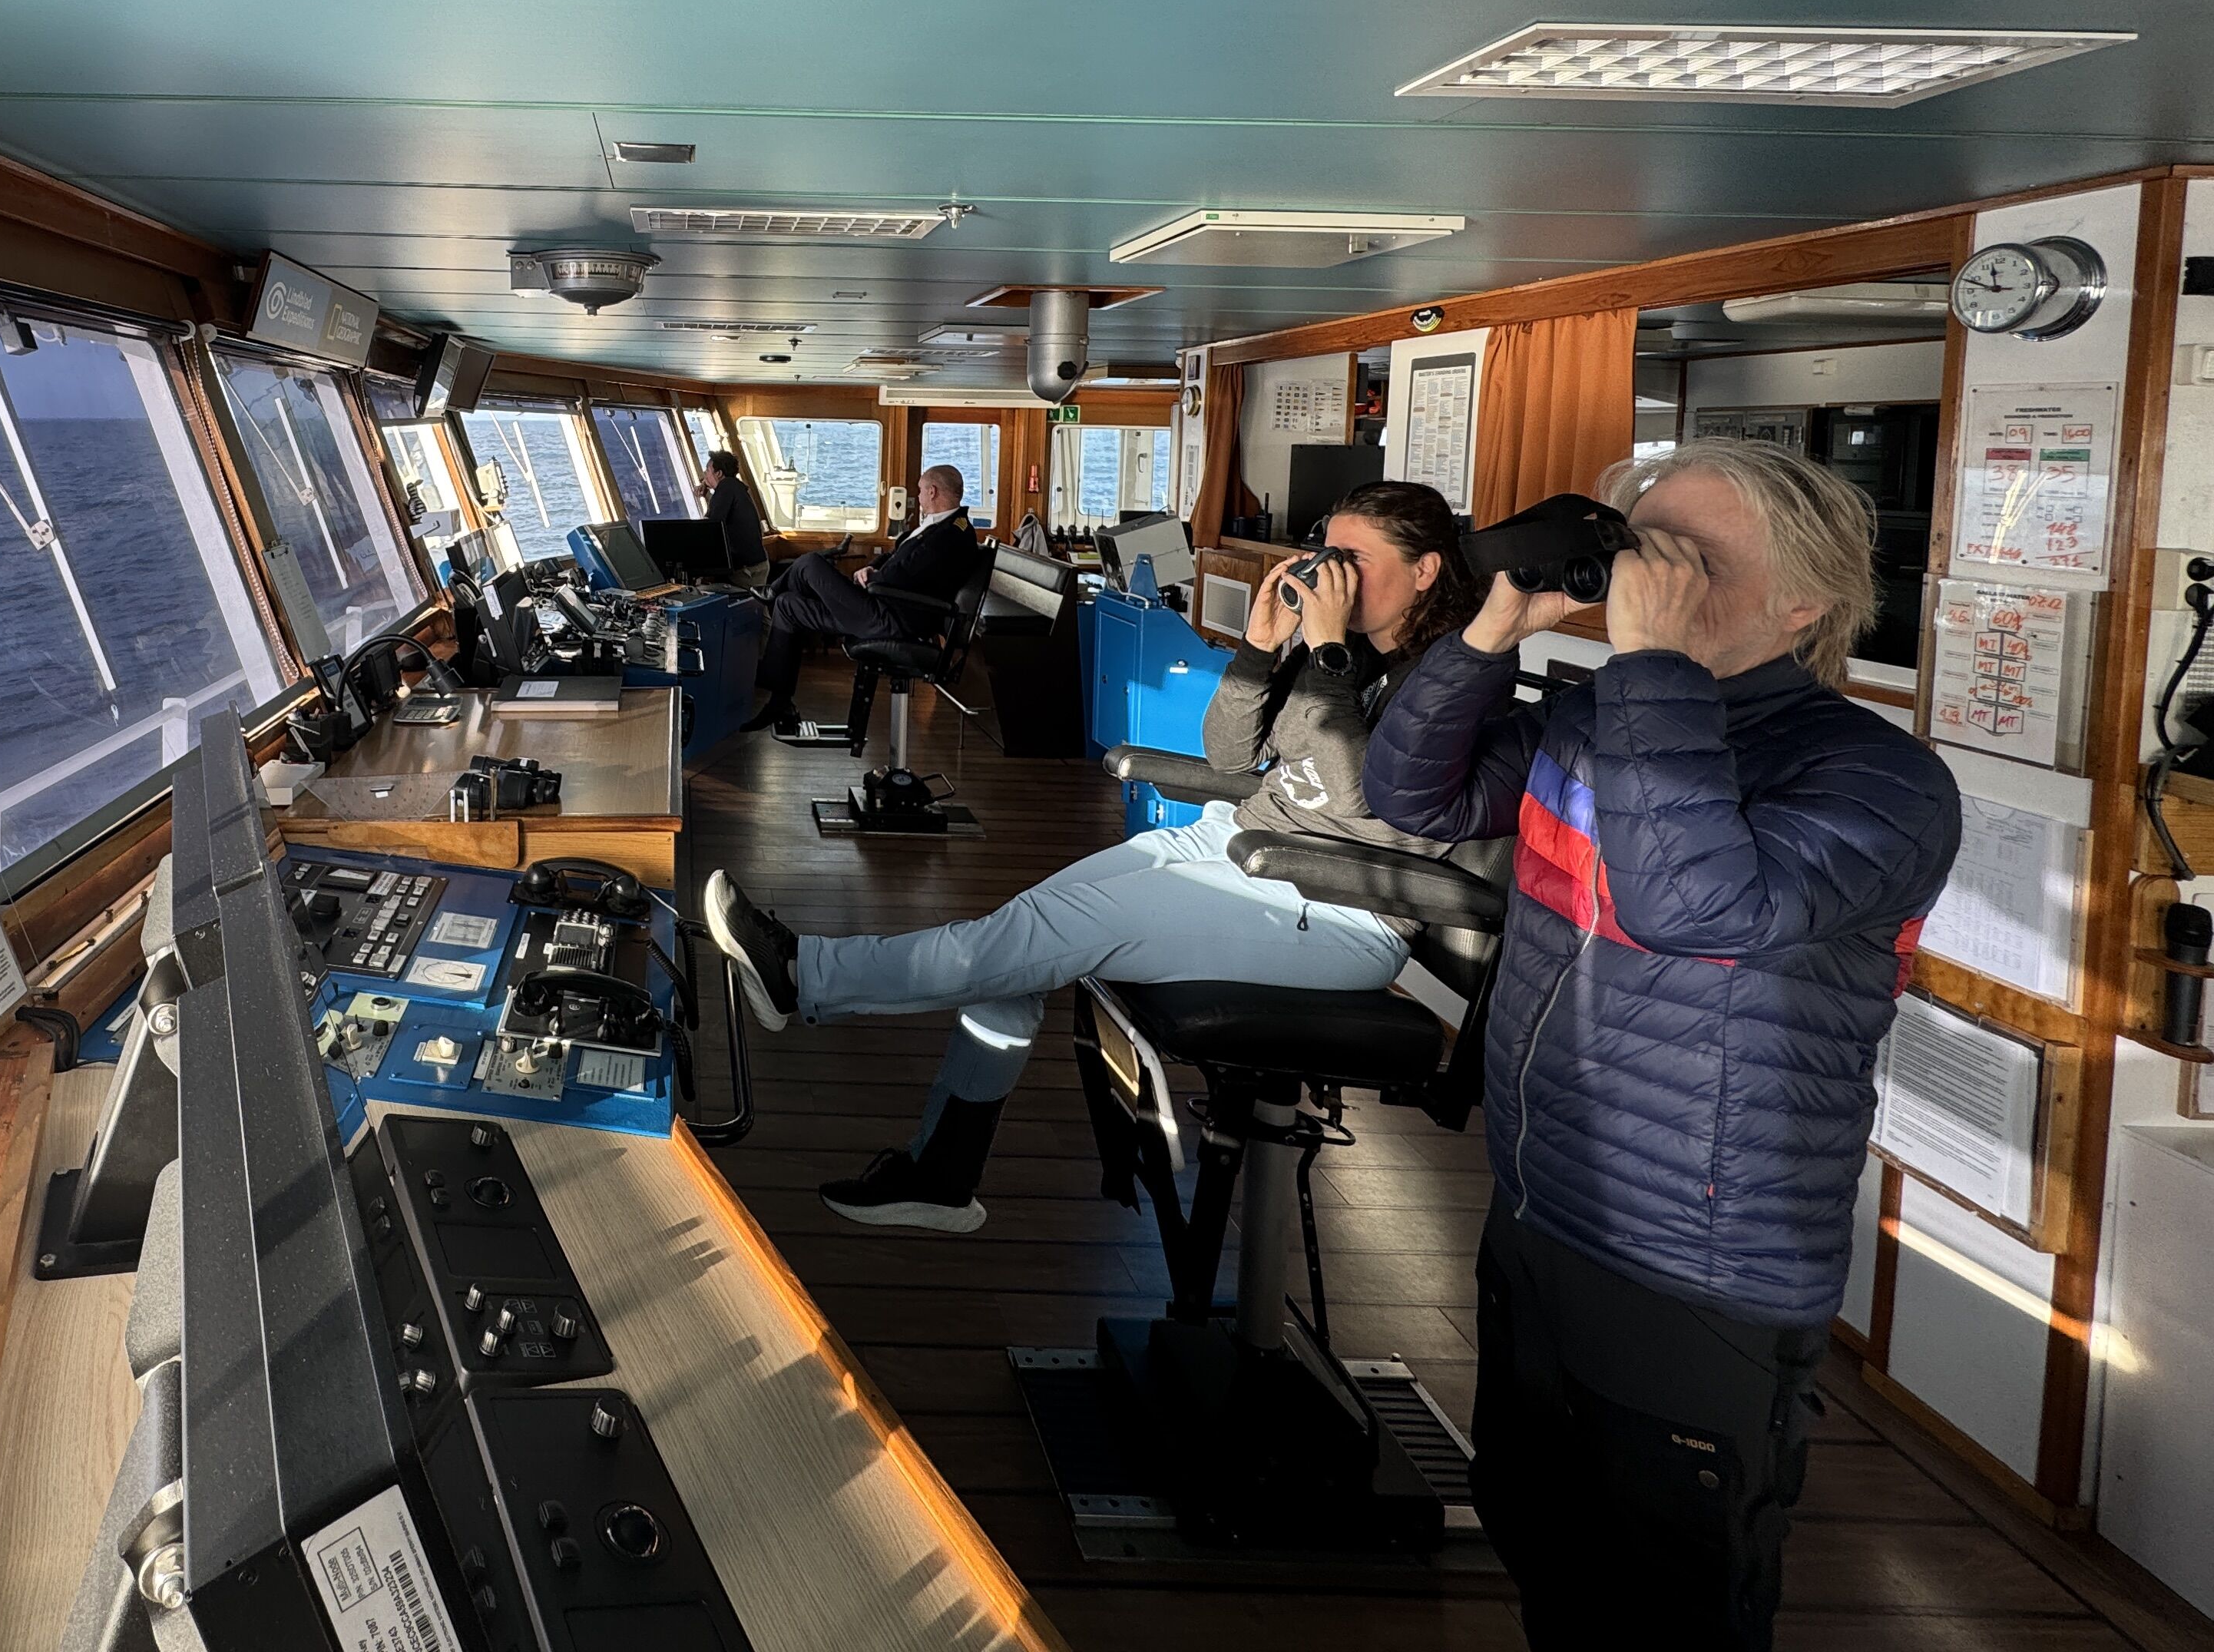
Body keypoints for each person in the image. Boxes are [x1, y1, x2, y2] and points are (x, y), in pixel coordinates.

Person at [1361, 440, 1959, 1652]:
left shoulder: (1879, 780)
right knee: (1536, 1535)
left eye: (1692, 558)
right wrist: (1489, 634)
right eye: (1644, 548)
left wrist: (1648, 665)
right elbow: (1415, 795)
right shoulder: (1598, 719)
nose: (1653, 576)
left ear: (1806, 603)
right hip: (1540, 1204)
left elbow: (1695, 907)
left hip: (1695, 1260)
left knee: (1661, 1608)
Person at [707, 479, 1481, 1231]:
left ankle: (808, 974)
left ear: (1425, 571)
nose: (1332, 578)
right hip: (1243, 845)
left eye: (1355, 560)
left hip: (1333, 904)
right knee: (1024, 932)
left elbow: (1356, 800)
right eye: (1328, 557)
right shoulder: (1343, 653)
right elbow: (1228, 752)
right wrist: (1258, 650)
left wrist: (1329, 651)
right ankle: (942, 1175)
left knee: (1033, 939)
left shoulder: (1439, 680)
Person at [746, 462, 985, 732]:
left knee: (810, 563)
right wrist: (872, 568)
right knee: (788, 606)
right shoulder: (941, 526)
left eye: (920, 491)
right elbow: (896, 555)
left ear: (932, 491)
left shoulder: (951, 534)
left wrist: (875, 579)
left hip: (892, 617)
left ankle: (772, 592)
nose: (918, 497)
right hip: (882, 606)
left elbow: (905, 572)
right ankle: (780, 702)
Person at [698, 449, 772, 592]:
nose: (704, 476)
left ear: (719, 473)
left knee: (703, 592)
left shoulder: (725, 487)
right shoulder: (736, 487)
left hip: (745, 570)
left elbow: (710, 527)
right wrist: (707, 495)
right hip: (757, 564)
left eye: (707, 471)